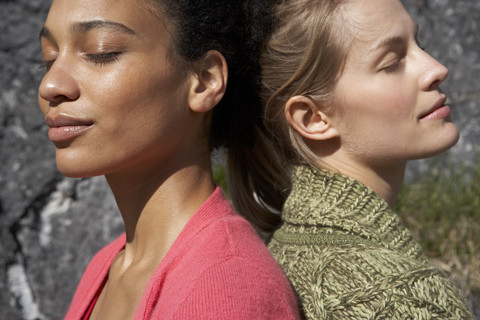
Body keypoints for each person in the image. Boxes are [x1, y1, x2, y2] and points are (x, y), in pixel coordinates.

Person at [38, 0, 301, 319]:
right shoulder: (108, 266)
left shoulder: (225, 290)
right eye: (49, 58)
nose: (50, 85)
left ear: (204, 80)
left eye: (100, 51)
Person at [259, 0, 474, 318]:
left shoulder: (289, 249)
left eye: (420, 44)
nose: (436, 69)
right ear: (313, 118)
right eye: (392, 62)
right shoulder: (400, 299)